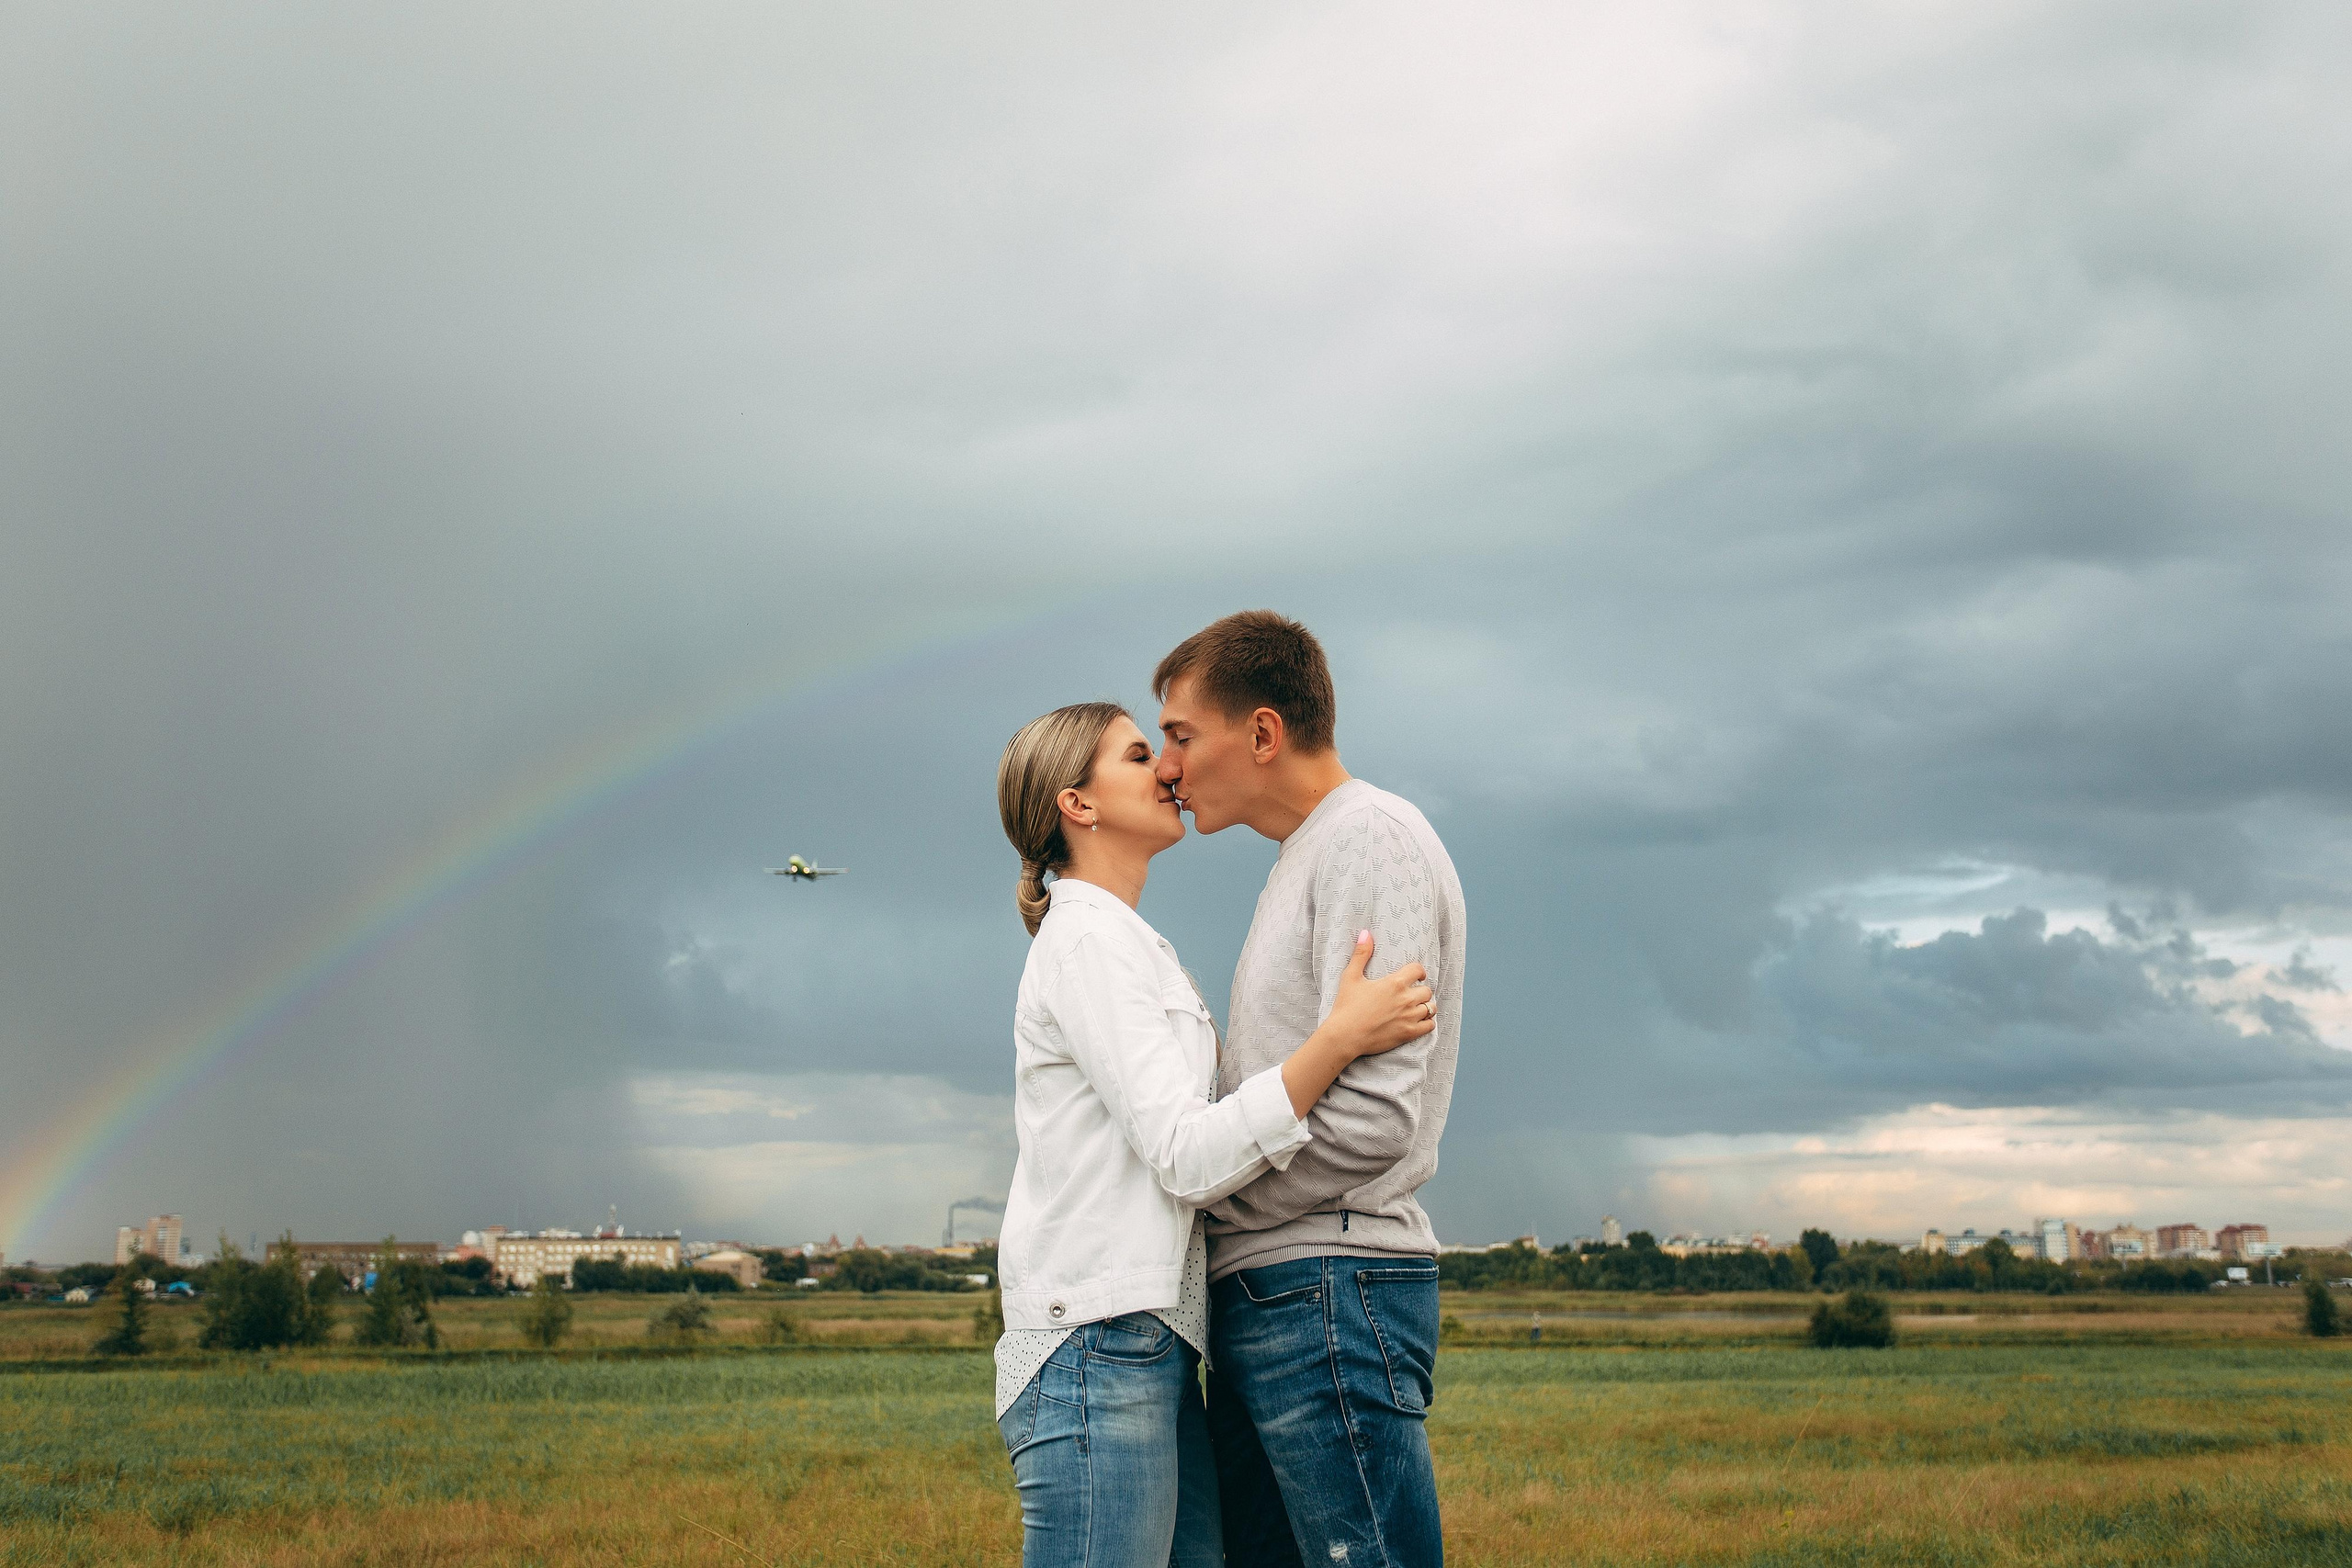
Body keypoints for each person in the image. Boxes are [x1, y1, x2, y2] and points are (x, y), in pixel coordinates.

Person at [992, 700, 1440, 1568]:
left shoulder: (1129, 941)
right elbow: (1189, 1154)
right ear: (1076, 805)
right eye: (1136, 753)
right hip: (1094, 1343)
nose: (1167, 766)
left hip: (1149, 1341)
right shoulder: (1087, 942)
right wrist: (1337, 1039)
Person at [1154, 611, 1467, 1568]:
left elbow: (1375, 1122)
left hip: (1324, 1291)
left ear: (1259, 732)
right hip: (1282, 1291)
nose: (1166, 767)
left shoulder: (1367, 840)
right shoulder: (1309, 856)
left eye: (1177, 735)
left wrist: (1210, 1193)